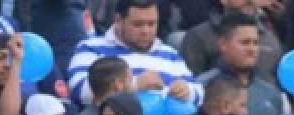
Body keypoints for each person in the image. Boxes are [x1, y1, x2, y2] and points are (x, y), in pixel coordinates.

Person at [68, 0, 202, 108]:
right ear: (118, 20)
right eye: (138, 24)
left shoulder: (170, 53)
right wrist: (133, 86)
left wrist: (187, 91)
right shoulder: (91, 47)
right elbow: (78, 91)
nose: (145, 31)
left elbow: (199, 93)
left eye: (151, 24)